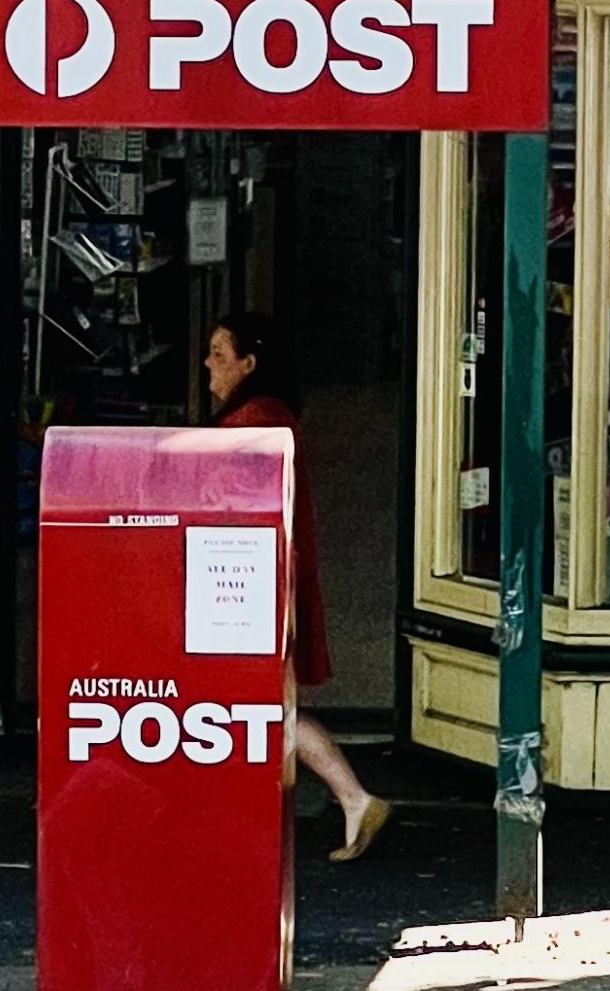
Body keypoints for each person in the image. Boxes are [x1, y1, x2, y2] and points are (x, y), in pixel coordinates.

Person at [205, 310, 390, 862]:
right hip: (264, 581)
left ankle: (353, 798)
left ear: (248, 363)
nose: (208, 365)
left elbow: (231, 509)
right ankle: (352, 800)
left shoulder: (253, 422)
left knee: (262, 708)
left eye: (219, 354)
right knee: (266, 706)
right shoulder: (272, 416)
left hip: (249, 585)